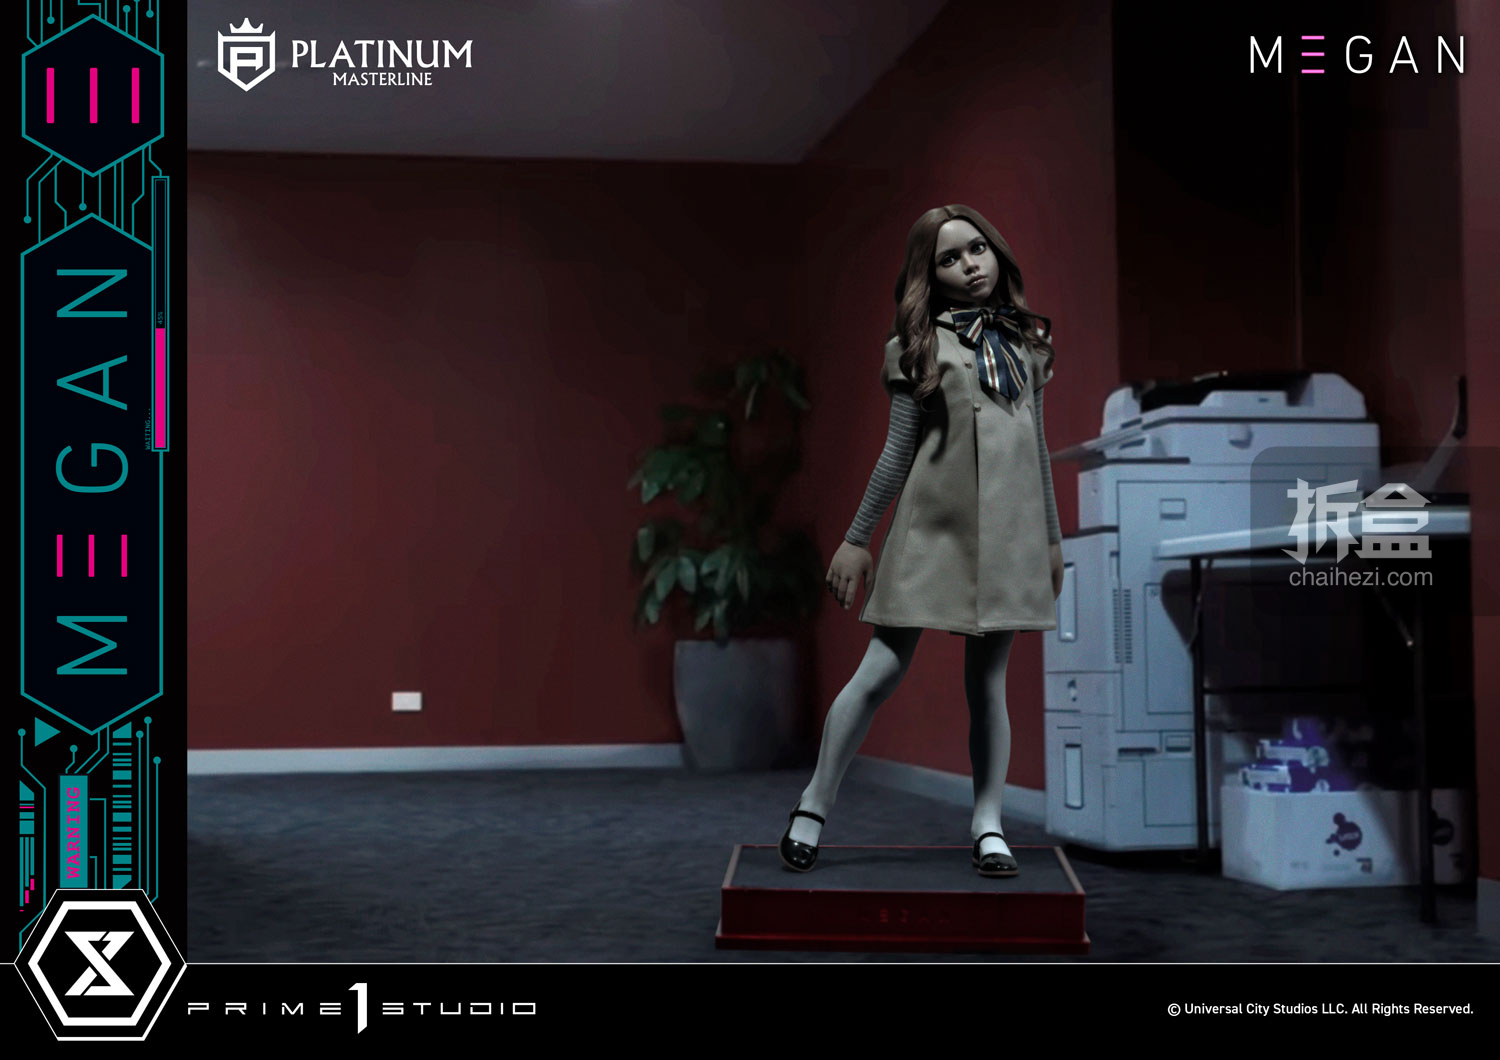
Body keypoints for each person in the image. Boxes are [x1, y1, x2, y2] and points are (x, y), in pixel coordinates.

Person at [778, 204, 1064, 878]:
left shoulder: (1028, 345)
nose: (970, 266)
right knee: (880, 670)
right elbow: (897, 452)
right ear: (928, 276)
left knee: (987, 683)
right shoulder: (918, 346)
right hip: (931, 531)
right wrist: (857, 539)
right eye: (949, 258)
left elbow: (1038, 448)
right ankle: (813, 804)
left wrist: (1051, 539)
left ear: (996, 253)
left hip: (1009, 536)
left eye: (977, 249)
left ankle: (988, 824)